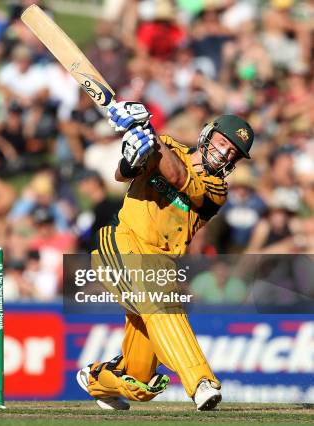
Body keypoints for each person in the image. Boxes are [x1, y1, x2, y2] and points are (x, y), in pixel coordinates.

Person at [76, 101, 254, 411]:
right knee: (162, 304)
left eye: (233, 153)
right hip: (121, 245)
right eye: (224, 143)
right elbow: (122, 174)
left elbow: (177, 175)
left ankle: (97, 379)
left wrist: (147, 131)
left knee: (140, 382)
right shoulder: (169, 144)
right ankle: (201, 382)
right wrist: (134, 154)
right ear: (208, 136)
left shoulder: (216, 189)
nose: (226, 153)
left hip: (161, 266)